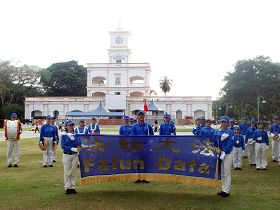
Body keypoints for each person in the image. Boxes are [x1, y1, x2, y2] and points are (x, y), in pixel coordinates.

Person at [131, 110, 154, 183]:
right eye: (139, 115)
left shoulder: (148, 126)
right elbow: (132, 137)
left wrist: (150, 144)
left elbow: (152, 137)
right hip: (138, 147)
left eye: (142, 115)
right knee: (137, 162)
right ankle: (138, 177)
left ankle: (145, 177)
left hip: (146, 147)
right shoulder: (134, 127)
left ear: (144, 116)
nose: (141, 117)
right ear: (137, 117)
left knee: (146, 163)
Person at [214, 117, 234, 198]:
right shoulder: (217, 131)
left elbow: (230, 142)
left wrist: (225, 152)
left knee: (227, 172)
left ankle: (227, 191)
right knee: (221, 173)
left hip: (227, 153)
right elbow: (214, 142)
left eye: (225, 122)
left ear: (227, 123)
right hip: (219, 153)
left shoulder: (230, 131)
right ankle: (223, 189)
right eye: (222, 122)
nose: (223, 123)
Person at [61, 120, 80, 194]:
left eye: (72, 125)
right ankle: (67, 187)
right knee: (67, 172)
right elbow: (63, 146)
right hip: (66, 155)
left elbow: (78, 143)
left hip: (74, 155)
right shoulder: (64, 135)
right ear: (66, 126)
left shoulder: (76, 135)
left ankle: (72, 187)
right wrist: (72, 148)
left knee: (73, 172)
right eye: (69, 125)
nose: (71, 127)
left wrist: (78, 147)